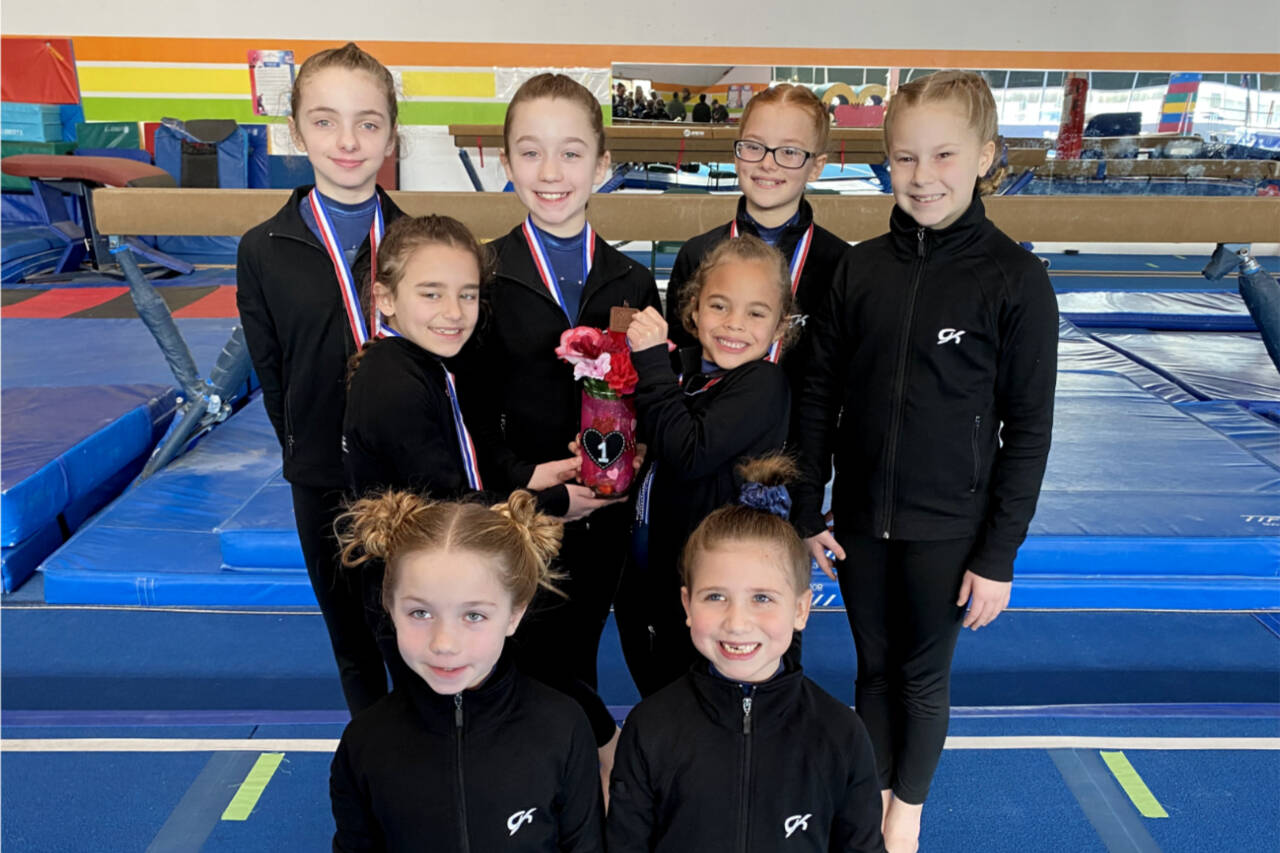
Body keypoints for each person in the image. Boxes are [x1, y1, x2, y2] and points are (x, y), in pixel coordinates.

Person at [793, 71, 1058, 853]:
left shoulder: (1014, 279)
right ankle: (874, 804)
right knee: (872, 668)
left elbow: (1029, 429)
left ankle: (905, 819)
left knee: (920, 674)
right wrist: (806, 507)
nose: (922, 176)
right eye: (905, 157)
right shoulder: (860, 269)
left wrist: (998, 552)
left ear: (985, 156)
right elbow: (818, 395)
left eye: (944, 155)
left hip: (949, 523)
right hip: (862, 515)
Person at [453, 72, 661, 780]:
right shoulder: (485, 275)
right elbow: (468, 409)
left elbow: (648, 394)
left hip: (603, 511)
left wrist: (630, 458)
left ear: (602, 164)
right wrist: (526, 484)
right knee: (526, 659)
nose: (551, 173)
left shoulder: (630, 280)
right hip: (521, 509)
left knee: (575, 655)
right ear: (505, 161)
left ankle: (577, 793)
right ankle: (589, 766)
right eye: (531, 152)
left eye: (571, 153)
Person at [236, 42, 405, 716]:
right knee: (354, 643)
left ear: (391, 133)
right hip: (322, 478)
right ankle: (374, 754)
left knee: (415, 632)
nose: (348, 141)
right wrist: (308, 452)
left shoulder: (423, 242)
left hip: (412, 472)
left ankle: (431, 755)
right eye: (325, 120)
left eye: (368, 122)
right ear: (296, 129)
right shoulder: (263, 249)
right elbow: (273, 373)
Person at [607, 456, 886, 853]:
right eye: (715, 597)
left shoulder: (841, 735)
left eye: (762, 598)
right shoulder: (650, 728)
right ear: (687, 605)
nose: (737, 623)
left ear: (801, 609)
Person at [331, 490, 605, 852]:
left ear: (514, 614)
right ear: (390, 607)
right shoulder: (364, 743)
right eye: (420, 613)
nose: (444, 643)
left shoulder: (564, 728)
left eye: (474, 615)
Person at [615, 236, 794, 697]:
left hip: (711, 587)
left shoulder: (763, 383)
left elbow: (689, 452)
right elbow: (662, 441)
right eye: (719, 306)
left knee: (706, 703)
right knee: (659, 696)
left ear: (780, 326)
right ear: (693, 310)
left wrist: (651, 362)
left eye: (756, 313)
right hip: (653, 576)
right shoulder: (687, 374)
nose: (735, 324)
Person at [664, 84, 847, 418]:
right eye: (754, 146)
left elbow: (834, 380)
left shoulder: (841, 266)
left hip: (796, 444)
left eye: (789, 151)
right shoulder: (697, 254)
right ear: (737, 153)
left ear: (817, 166)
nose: (767, 163)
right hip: (706, 439)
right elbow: (678, 363)